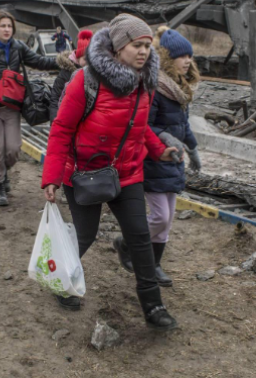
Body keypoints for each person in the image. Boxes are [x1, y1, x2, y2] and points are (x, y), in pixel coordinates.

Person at [42, 14, 180, 330]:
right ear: (118, 48)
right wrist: (51, 177)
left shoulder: (144, 83)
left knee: (140, 237)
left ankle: (153, 306)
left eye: (148, 45)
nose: (144, 51)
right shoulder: (85, 81)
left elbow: (139, 126)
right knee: (85, 235)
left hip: (127, 172)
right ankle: (62, 281)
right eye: (136, 45)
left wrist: (160, 150)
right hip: (83, 173)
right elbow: (62, 128)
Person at [113, 26, 202, 288]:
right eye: (182, 56)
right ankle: (126, 242)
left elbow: (183, 125)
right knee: (160, 216)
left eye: (189, 56)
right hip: (155, 159)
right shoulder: (156, 87)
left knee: (168, 219)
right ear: (167, 57)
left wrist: (193, 149)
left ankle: (154, 265)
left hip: (174, 160)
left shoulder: (179, 89)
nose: (187, 61)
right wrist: (164, 139)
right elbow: (143, 125)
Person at [0, 10, 58, 206]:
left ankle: (2, 171)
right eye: (3, 26)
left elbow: (39, 61)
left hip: (10, 105)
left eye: (9, 26)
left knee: (13, 149)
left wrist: (63, 61)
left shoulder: (18, 47)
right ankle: (0, 184)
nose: (7, 29)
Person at [49, 29, 92, 122]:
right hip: (68, 119)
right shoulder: (66, 74)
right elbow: (55, 99)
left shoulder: (95, 75)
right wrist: (55, 122)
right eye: (85, 59)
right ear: (78, 57)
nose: (89, 63)